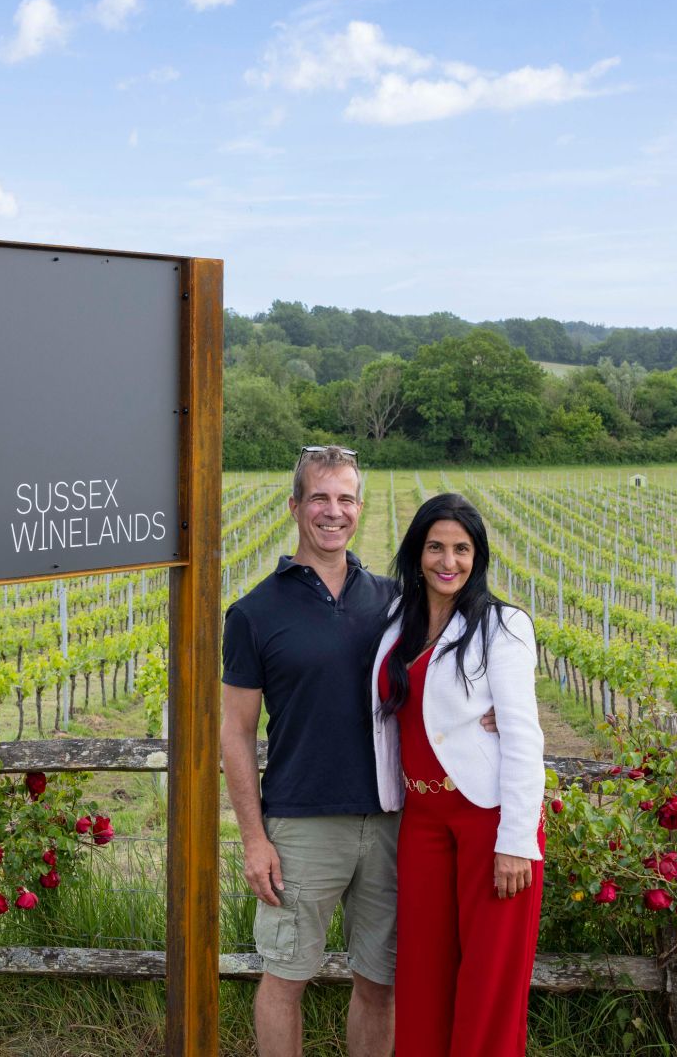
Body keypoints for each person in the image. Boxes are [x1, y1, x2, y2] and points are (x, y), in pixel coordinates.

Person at [221, 447, 493, 1057]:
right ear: (295, 506)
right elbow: (235, 733)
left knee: (381, 981)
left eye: (345, 498)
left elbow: (454, 672)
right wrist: (253, 838)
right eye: (319, 497)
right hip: (299, 824)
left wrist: (491, 709)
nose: (332, 511)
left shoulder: (397, 602)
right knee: (286, 977)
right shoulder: (254, 613)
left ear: (359, 509)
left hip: (394, 819)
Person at [370, 492, 545, 1057]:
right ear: (416, 553)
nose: (449, 561)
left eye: (462, 549)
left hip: (488, 821)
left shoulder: (503, 626)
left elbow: (523, 736)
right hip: (422, 821)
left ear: (479, 556)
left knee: (488, 985)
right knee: (422, 976)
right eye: (436, 547)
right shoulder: (398, 621)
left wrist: (516, 841)